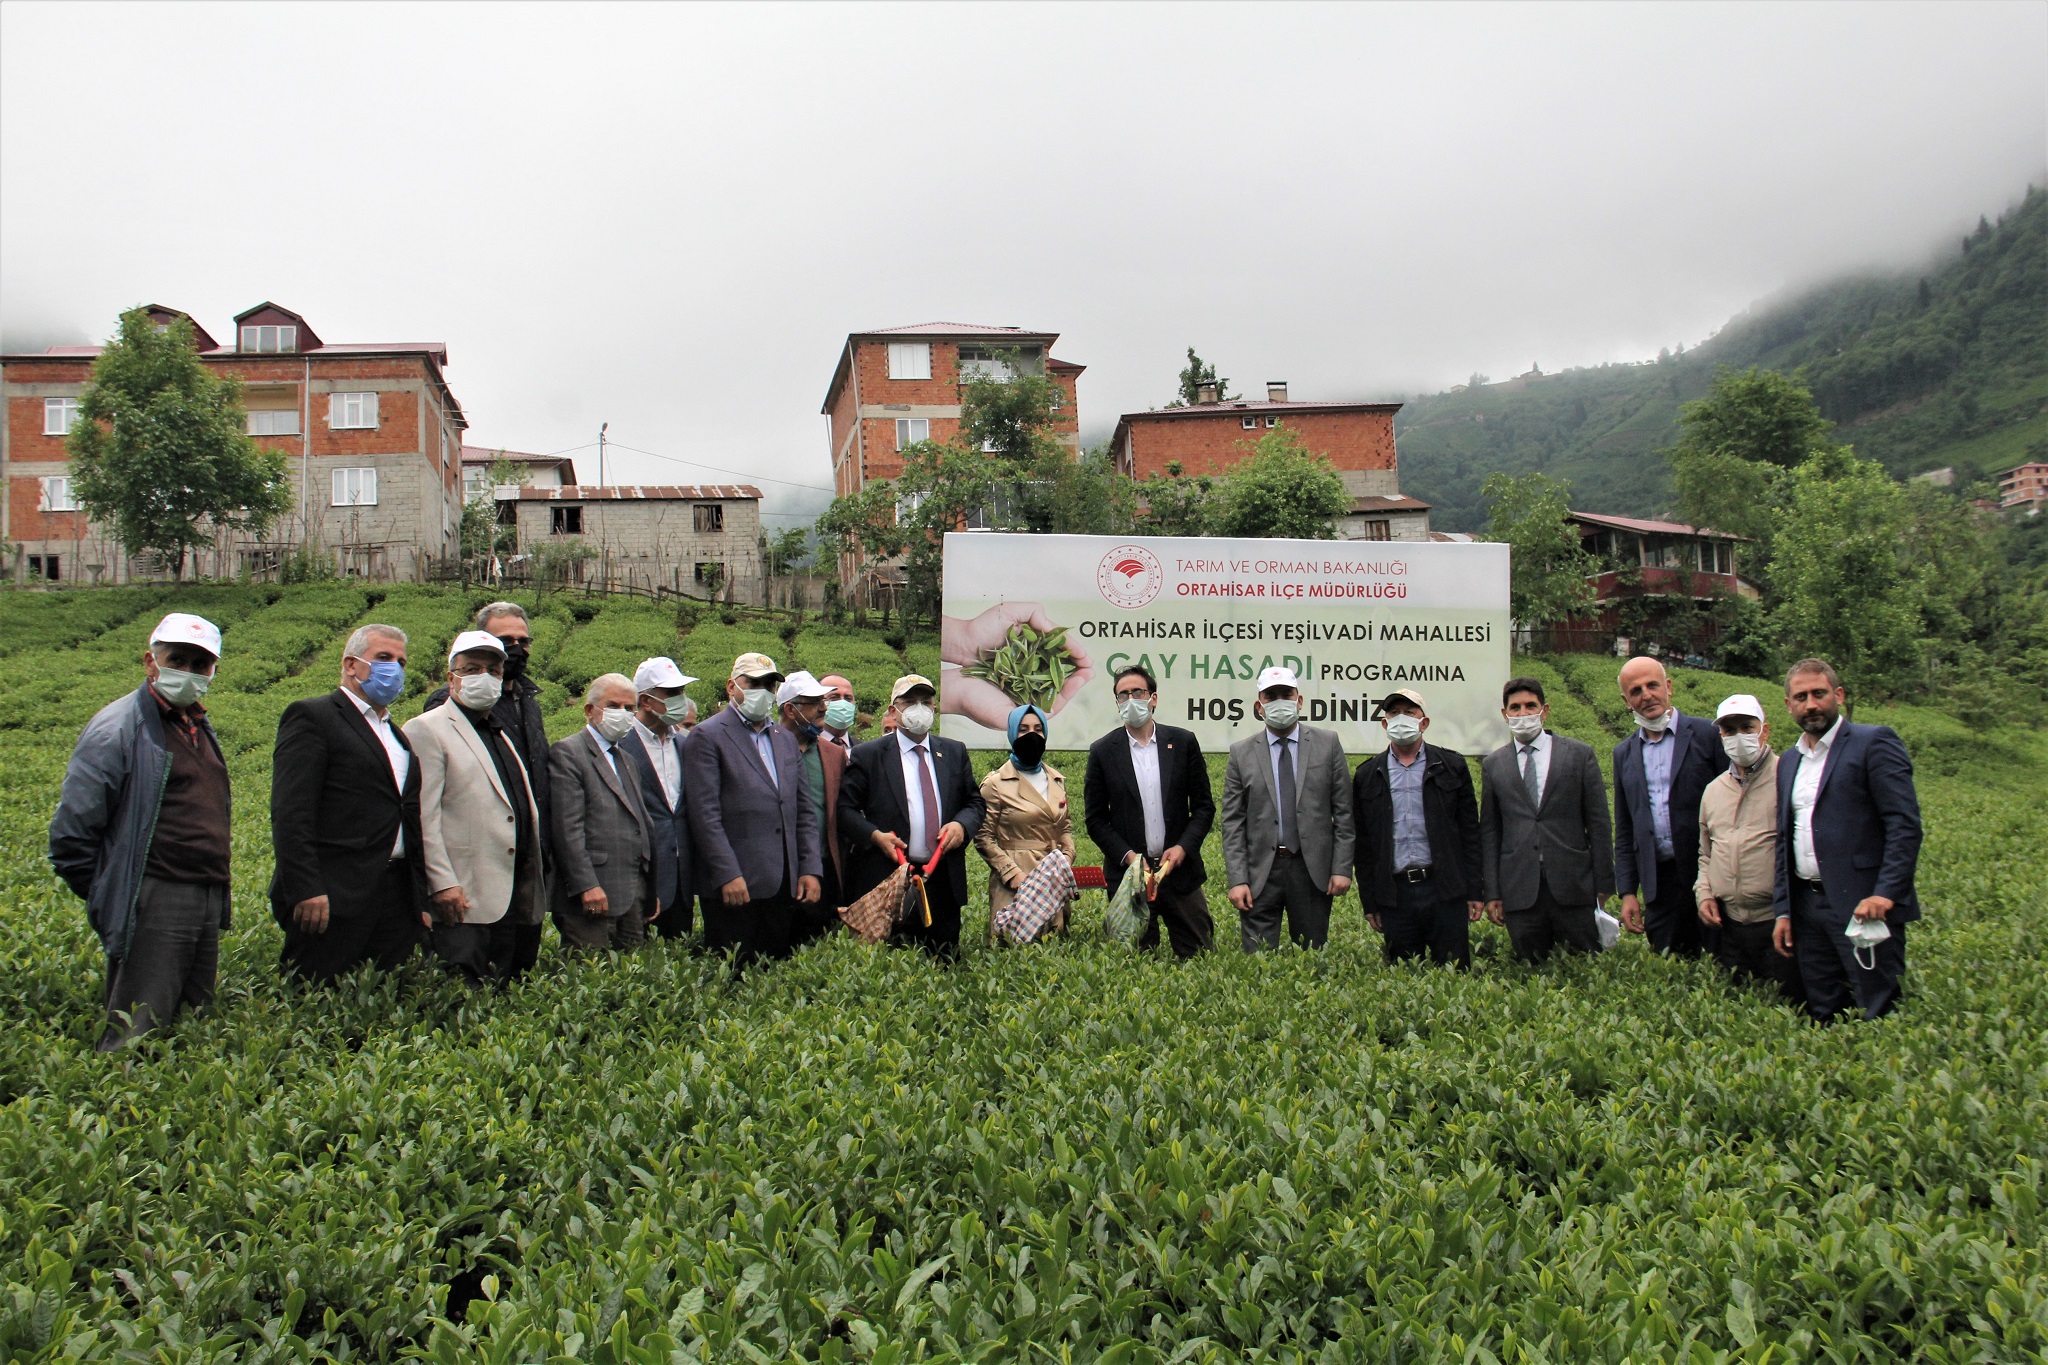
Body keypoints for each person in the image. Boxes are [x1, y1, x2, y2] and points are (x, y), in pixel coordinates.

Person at [50, 613, 233, 1050]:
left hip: (204, 891)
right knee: (137, 1031)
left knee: (194, 1021)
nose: (187, 672)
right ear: (150, 662)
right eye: (177, 660)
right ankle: (119, 1102)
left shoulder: (195, 723)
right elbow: (71, 836)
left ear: (213, 671)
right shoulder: (118, 728)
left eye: (199, 664)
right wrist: (116, 891)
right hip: (157, 894)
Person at [270, 623, 428, 982]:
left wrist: (419, 897)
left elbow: (407, 815)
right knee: (320, 997)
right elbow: (291, 811)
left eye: (402, 662)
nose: (396, 669)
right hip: (335, 893)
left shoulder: (395, 733)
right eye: (384, 658)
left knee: (381, 1003)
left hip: (393, 894)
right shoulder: (313, 716)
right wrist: (306, 888)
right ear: (351, 664)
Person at [1773, 659, 1922, 1023]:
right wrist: (1784, 910)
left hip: (1865, 904)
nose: (1811, 704)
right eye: (1801, 696)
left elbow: (1904, 824)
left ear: (1837, 695)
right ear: (1789, 705)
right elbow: (1784, 840)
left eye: (1819, 694)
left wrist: (1885, 893)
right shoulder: (1789, 761)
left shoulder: (1873, 742)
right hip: (1808, 908)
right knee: (1824, 1009)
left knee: (1878, 1007)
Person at [403, 631, 545, 983]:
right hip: (464, 898)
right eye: (471, 669)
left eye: (492, 671)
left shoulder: (499, 732)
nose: (484, 677)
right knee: (464, 995)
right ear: (451, 678)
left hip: (509, 896)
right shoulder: (427, 729)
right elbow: (423, 815)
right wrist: (441, 883)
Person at [682, 652, 823, 963]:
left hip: (782, 883)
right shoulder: (707, 736)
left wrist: (809, 867)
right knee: (734, 974)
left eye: (770, 684)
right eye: (754, 683)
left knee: (774, 975)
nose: (764, 690)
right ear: (732, 687)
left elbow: (803, 812)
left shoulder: (784, 739)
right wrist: (727, 873)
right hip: (735, 885)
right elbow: (705, 816)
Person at [840, 675, 985, 959]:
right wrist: (873, 835)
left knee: (943, 963)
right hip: (888, 879)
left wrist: (961, 825)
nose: (919, 708)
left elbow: (975, 802)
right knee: (888, 968)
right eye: (909, 702)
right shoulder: (868, 755)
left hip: (941, 879)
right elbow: (844, 810)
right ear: (894, 710)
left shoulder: (954, 752)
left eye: (926, 702)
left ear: (934, 708)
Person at [1479, 676, 1614, 963]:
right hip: (1520, 891)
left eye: (1531, 706)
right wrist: (1492, 891)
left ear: (1545, 710)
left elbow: (1599, 822)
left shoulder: (1578, 755)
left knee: (1582, 968)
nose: (1523, 713)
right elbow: (1491, 833)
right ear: (1505, 715)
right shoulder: (1494, 765)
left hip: (1573, 886)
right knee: (1530, 970)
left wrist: (1603, 884)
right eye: (1515, 708)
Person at [1084, 665, 1216, 957]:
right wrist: (1130, 858)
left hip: (1180, 873)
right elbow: (1095, 819)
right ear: (1117, 702)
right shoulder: (1103, 751)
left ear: (1153, 698)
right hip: (1130, 878)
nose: (1131, 699)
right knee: (1137, 964)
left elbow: (1204, 807)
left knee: (1199, 957)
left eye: (1137, 692)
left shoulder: (1183, 743)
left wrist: (1183, 848)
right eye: (1123, 694)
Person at [1221, 666, 1355, 951]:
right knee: (1257, 964)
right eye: (1271, 696)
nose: (1280, 701)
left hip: (1311, 870)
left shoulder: (1327, 744)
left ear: (1300, 700)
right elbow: (1232, 823)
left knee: (1311, 959)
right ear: (1259, 706)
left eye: (1286, 694)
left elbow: (1344, 812)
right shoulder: (1241, 753)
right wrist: (1237, 879)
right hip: (1260, 874)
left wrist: (1342, 868)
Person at [1350, 688, 1483, 968]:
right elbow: (1363, 846)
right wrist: (1370, 901)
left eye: (1409, 713)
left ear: (1424, 723)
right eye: (1394, 713)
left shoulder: (1452, 765)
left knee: (1453, 974)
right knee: (1404, 975)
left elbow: (1470, 833)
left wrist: (1475, 891)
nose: (1401, 719)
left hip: (1444, 890)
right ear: (1385, 724)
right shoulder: (1367, 775)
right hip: (1395, 895)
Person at [1612, 656, 1728, 957]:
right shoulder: (1623, 753)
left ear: (1669, 687)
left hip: (1711, 875)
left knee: (1721, 964)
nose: (1646, 695)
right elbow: (1626, 828)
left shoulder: (1707, 735)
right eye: (1635, 691)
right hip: (1660, 883)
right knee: (1670, 963)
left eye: (1652, 685)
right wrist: (1627, 892)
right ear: (1627, 701)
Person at [1696, 694, 1802, 1002]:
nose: (1739, 736)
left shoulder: (1789, 779)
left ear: (1764, 731)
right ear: (1721, 736)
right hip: (1730, 929)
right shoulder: (1713, 792)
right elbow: (1706, 853)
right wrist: (1704, 893)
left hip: (1778, 925)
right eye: (1730, 730)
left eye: (1747, 727)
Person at [549, 674, 655, 952]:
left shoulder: (627, 760)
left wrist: (649, 885)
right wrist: (586, 885)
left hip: (631, 893)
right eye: (613, 706)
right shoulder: (568, 752)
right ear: (589, 710)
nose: (622, 714)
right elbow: (567, 828)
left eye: (629, 709)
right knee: (589, 976)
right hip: (593, 894)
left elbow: (638, 821)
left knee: (631, 981)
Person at [976, 705, 1077, 939]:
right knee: (1013, 948)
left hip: (1053, 881)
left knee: (1054, 947)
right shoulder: (996, 783)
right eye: (1023, 729)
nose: (1031, 735)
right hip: (1015, 879)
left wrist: (1066, 857)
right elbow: (983, 837)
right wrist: (1012, 873)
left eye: (1038, 729)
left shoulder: (1056, 780)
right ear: (1012, 733)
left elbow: (1065, 828)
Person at [618, 656, 696, 940]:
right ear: (646, 701)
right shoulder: (621, 744)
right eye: (672, 694)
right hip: (639, 879)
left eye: (682, 692)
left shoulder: (687, 744)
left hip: (681, 880)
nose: (680, 699)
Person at [777, 670, 846, 941]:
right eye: (813, 702)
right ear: (791, 710)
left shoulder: (834, 754)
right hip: (778, 870)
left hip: (822, 869)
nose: (822, 708)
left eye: (823, 701)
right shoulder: (766, 748)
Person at [818, 674, 858, 754]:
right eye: (834, 697)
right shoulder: (803, 749)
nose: (843, 704)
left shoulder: (865, 751)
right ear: (819, 703)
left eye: (848, 698)